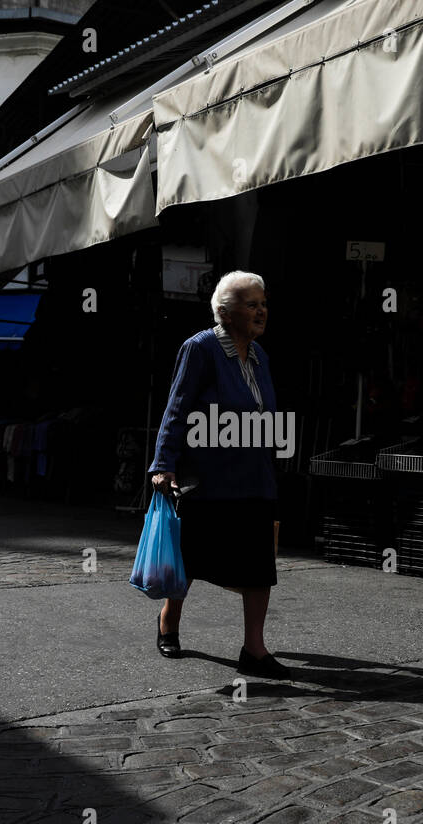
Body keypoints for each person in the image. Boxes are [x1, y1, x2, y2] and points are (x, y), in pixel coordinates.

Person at [149, 270, 290, 680]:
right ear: (226, 314)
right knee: (190, 560)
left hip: (254, 475)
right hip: (209, 475)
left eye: (263, 303)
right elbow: (177, 408)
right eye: (252, 304)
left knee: (259, 564)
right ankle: (169, 620)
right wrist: (163, 464)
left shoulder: (260, 356)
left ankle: (254, 648)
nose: (261, 311)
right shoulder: (201, 348)